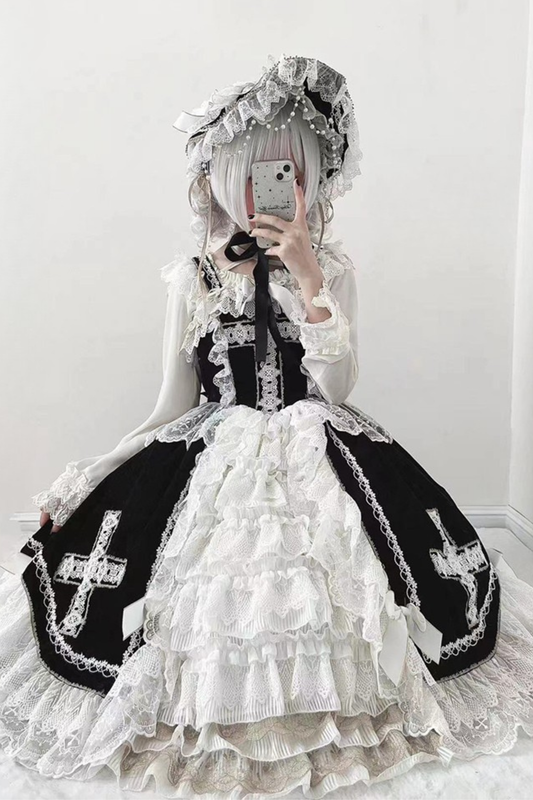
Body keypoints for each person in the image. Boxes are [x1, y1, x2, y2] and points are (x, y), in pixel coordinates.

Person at [1, 52, 532, 798]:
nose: (272, 190)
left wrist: (310, 279)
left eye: (289, 173)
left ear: (311, 180)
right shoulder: (193, 277)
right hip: (217, 448)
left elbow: (337, 387)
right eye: (254, 173)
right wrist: (92, 475)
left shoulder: (333, 267)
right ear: (223, 177)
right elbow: (171, 404)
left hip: (322, 445)